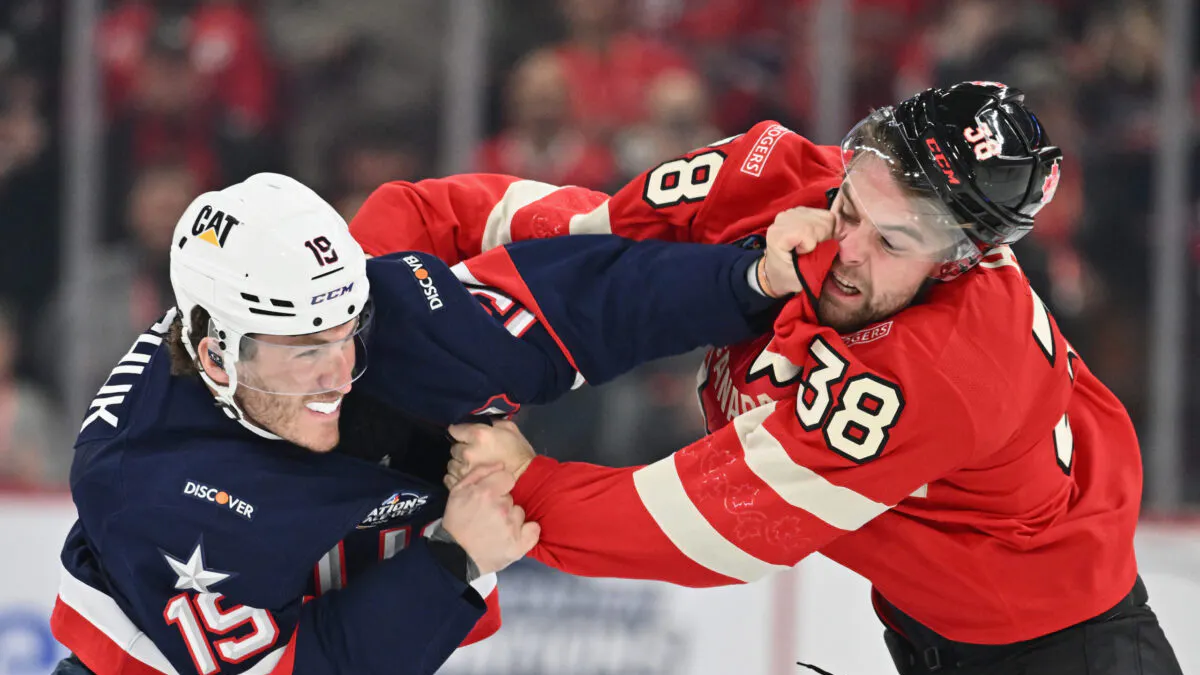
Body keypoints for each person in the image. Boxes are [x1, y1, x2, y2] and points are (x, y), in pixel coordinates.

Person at [441, 83, 1184, 675]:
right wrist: (421, 248)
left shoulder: (944, 367)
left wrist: (525, 488)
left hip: (1067, 651)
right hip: (943, 624)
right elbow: (588, 235)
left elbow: (713, 526)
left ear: (956, 260)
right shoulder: (781, 174)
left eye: (892, 240)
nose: (848, 248)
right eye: (849, 206)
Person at [50, 172, 809, 675]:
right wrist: (454, 559)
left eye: (346, 333)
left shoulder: (381, 317)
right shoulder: (147, 487)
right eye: (307, 351)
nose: (339, 372)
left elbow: (583, 306)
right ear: (218, 356)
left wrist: (752, 278)